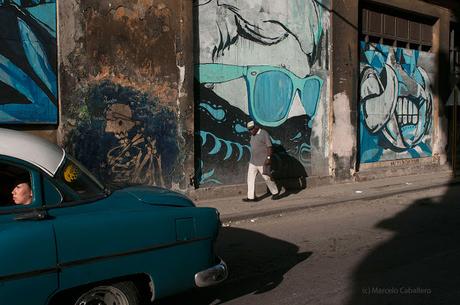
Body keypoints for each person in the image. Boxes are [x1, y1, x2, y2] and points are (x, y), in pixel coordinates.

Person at [243, 121, 281, 202]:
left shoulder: (264, 133)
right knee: (250, 178)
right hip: (253, 162)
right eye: (249, 129)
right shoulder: (253, 135)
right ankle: (251, 197)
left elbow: (269, 147)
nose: (251, 131)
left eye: (252, 129)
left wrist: (268, 158)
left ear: (256, 127)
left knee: (267, 178)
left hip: (263, 162)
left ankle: (275, 193)